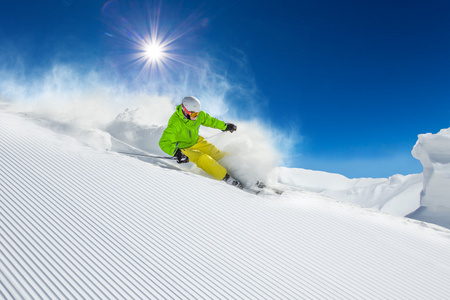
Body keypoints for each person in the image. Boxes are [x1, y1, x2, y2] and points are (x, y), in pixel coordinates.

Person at [159, 96, 242, 188]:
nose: (197, 116)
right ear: (185, 111)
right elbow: (163, 142)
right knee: (203, 158)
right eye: (194, 115)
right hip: (184, 148)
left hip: (197, 141)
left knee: (216, 153)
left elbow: (210, 121)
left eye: (198, 113)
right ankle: (227, 178)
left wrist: (225, 126)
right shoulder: (175, 123)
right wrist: (176, 153)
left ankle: (239, 172)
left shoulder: (198, 115)